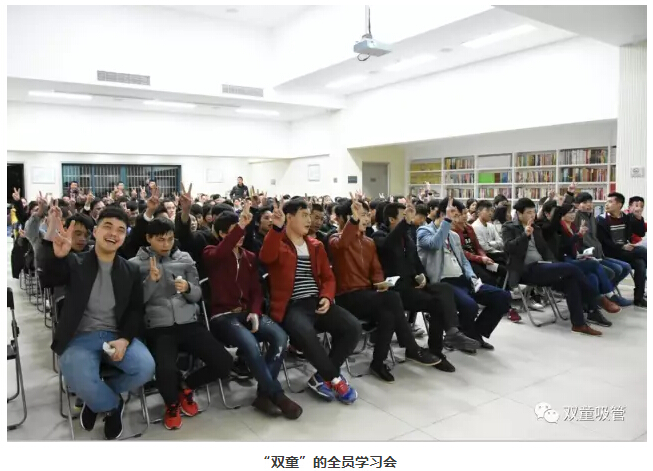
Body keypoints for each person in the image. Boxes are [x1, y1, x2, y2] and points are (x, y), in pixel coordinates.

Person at [38, 205, 155, 439]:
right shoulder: (76, 262)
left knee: (145, 367)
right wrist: (53, 250)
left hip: (116, 335)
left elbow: (135, 310)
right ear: (96, 232)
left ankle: (95, 400)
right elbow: (48, 278)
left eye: (120, 230)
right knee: (76, 373)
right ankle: (112, 405)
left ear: (124, 237)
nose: (113, 234)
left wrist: (124, 339)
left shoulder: (130, 270)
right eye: (107, 227)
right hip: (80, 337)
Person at [129, 218, 233, 430]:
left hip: (188, 322)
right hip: (158, 327)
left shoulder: (184, 258)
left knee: (224, 362)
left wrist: (187, 288)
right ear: (148, 238)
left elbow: (197, 295)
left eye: (170, 239)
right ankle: (172, 404)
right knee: (165, 370)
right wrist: (150, 282)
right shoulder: (135, 264)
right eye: (160, 240)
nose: (166, 244)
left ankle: (185, 386)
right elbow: (136, 303)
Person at [259, 198, 361, 404]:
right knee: (306, 333)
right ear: (289, 218)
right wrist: (276, 229)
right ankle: (334, 378)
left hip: (316, 302)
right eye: (304, 215)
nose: (309, 220)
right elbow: (266, 257)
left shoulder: (316, 246)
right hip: (292, 306)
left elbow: (328, 278)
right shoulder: (278, 242)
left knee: (353, 327)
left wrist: (326, 296)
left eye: (309, 216)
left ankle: (321, 377)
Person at [203, 208, 302, 419]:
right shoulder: (211, 252)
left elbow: (256, 290)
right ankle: (277, 395)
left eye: (242, 231)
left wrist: (255, 311)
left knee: (281, 337)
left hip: (247, 313)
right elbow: (222, 252)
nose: (240, 235)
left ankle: (263, 395)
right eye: (233, 232)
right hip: (223, 317)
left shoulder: (249, 256)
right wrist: (240, 226)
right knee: (250, 344)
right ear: (222, 234)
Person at [330, 199, 439, 382]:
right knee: (392, 298)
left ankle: (377, 363)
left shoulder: (368, 242)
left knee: (388, 314)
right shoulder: (335, 238)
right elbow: (343, 244)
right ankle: (411, 348)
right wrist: (353, 222)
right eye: (361, 215)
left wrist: (380, 283)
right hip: (346, 297)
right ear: (351, 218)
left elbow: (376, 270)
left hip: (368, 296)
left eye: (367, 215)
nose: (366, 219)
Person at [375, 202, 479, 371]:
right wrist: (405, 224)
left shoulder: (407, 236)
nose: (408, 219)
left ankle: (451, 333)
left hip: (413, 284)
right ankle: (434, 349)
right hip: (397, 290)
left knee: (444, 289)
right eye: (403, 216)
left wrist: (421, 275)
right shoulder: (379, 236)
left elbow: (415, 260)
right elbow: (389, 245)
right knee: (437, 304)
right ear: (392, 219)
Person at [418, 199, 512, 350]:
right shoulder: (424, 231)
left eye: (457, 216)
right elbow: (434, 244)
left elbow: (463, 260)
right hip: (443, 283)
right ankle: (467, 336)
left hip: (463, 279)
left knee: (503, 297)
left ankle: (474, 333)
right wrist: (446, 222)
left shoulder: (453, 236)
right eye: (454, 215)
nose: (457, 220)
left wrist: (472, 276)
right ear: (442, 214)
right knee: (470, 306)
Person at [502, 198, 603, 336]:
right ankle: (596, 298)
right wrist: (524, 235)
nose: (532, 215)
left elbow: (545, 250)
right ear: (519, 214)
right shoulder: (509, 227)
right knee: (571, 268)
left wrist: (554, 264)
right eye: (528, 212)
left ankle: (579, 324)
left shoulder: (536, 228)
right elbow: (509, 248)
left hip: (543, 266)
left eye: (533, 212)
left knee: (571, 281)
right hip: (525, 270)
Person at [564, 192, 632, 306]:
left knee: (626, 267)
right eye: (584, 202)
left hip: (599, 254)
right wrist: (570, 194)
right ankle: (607, 296)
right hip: (587, 255)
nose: (589, 205)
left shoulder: (592, 217)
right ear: (577, 205)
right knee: (616, 270)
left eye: (590, 202)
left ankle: (606, 294)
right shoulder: (576, 216)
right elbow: (564, 208)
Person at [558, 204, 619, 326]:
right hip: (564, 261)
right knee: (594, 265)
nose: (572, 215)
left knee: (593, 277)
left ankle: (592, 311)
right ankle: (607, 294)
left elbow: (576, 246)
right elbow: (562, 247)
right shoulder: (559, 227)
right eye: (569, 212)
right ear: (562, 215)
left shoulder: (573, 226)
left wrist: (582, 251)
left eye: (573, 212)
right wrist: (578, 235)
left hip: (575, 257)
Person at [597, 192, 647, 308]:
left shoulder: (626, 218)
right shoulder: (601, 220)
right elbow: (604, 242)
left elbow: (640, 233)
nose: (606, 204)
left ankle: (638, 299)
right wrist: (622, 247)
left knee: (640, 263)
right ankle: (606, 292)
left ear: (619, 204)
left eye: (610, 202)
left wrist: (638, 216)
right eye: (606, 201)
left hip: (625, 252)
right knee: (643, 251)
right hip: (611, 252)